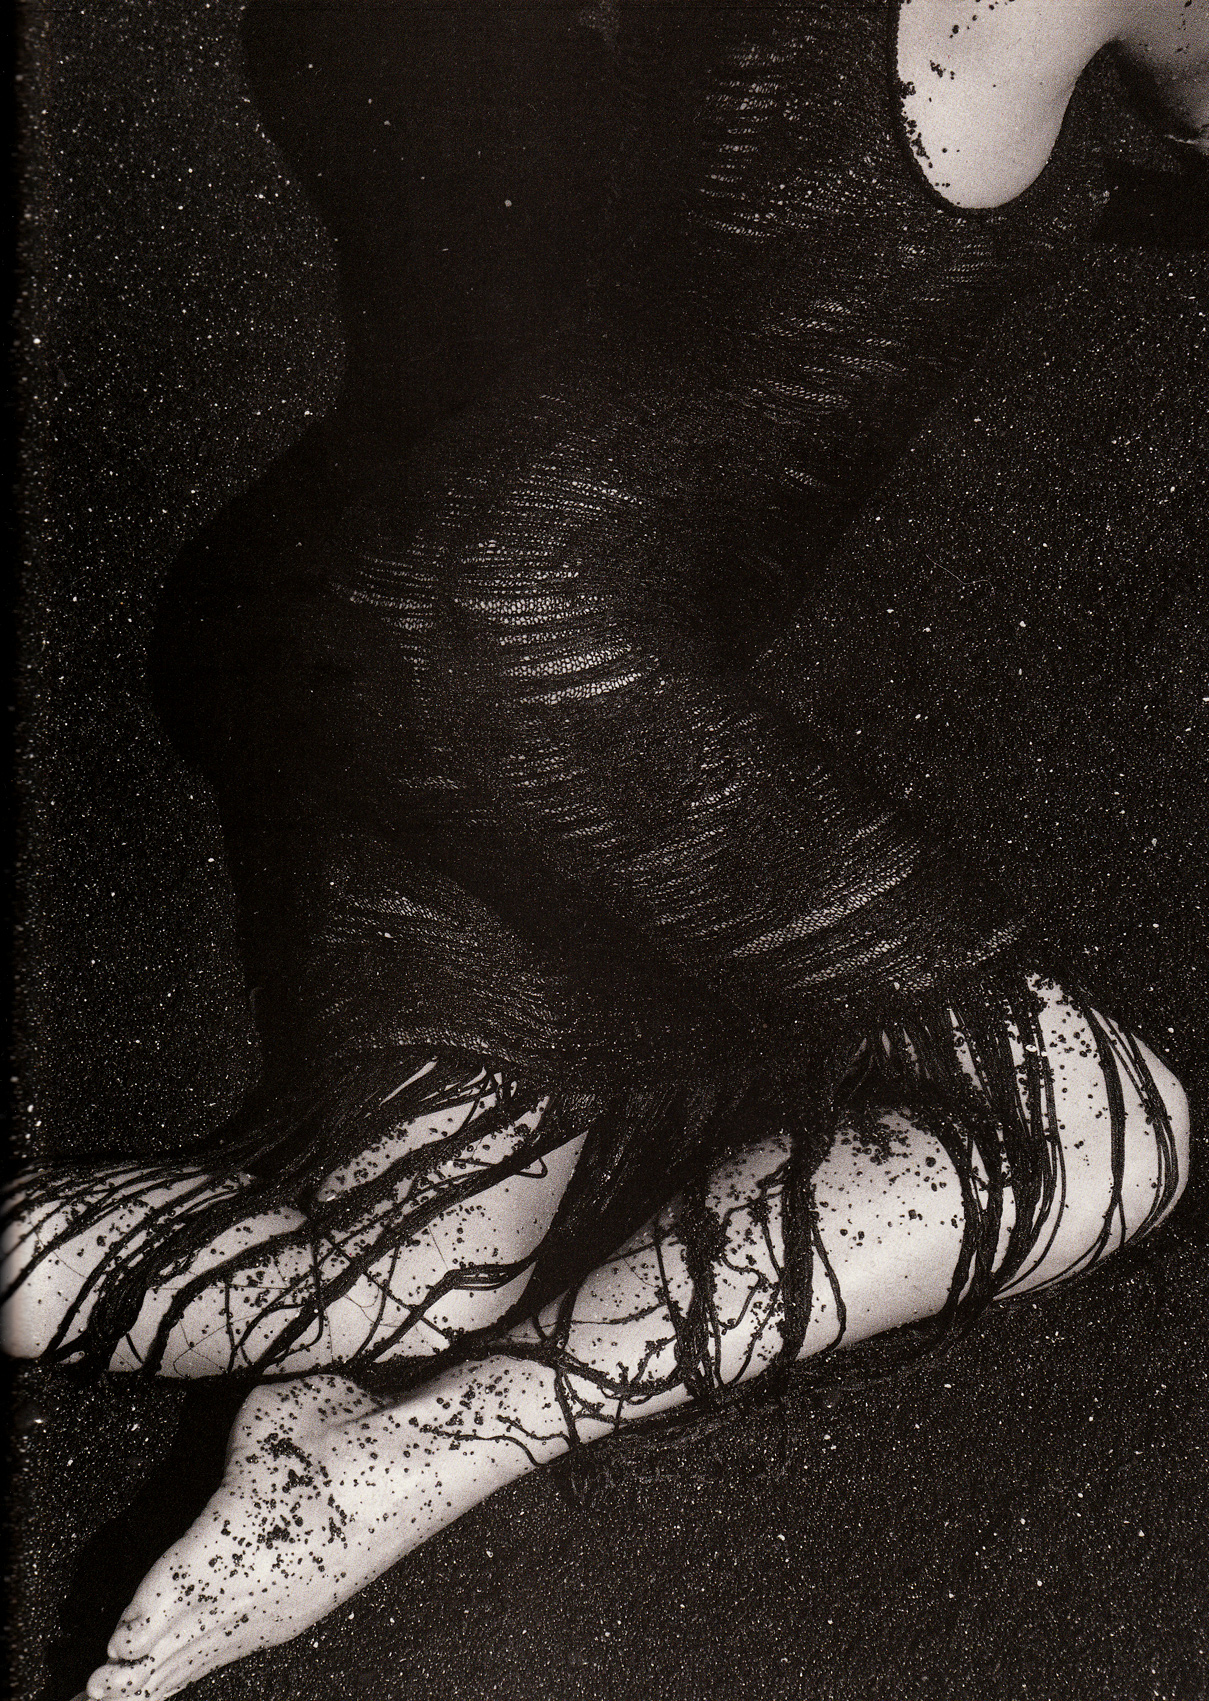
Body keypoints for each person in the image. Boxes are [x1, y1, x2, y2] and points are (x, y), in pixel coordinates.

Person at [4, 2, 1204, 1697]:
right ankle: (410, 1463)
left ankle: (364, 1441)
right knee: (1094, 1135)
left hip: (342, 603)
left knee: (406, 1260)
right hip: (530, 651)